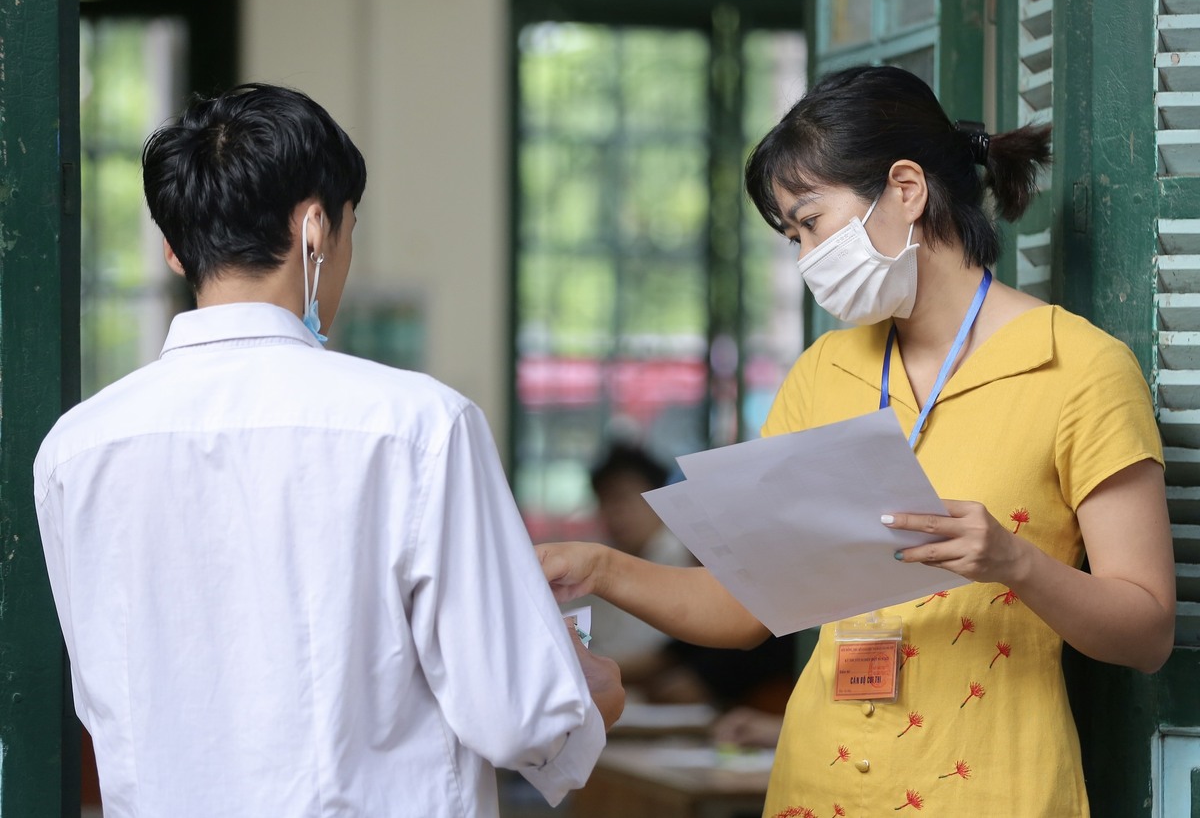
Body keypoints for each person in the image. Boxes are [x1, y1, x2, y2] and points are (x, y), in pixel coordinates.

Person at [538, 65, 1176, 817]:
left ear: (906, 189)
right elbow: (744, 608)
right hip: (820, 787)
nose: (805, 257)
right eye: (792, 237)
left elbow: (1147, 632)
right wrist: (600, 566)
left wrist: (1016, 563)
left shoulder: (1079, 367)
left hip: (989, 790)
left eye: (810, 223)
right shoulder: (824, 372)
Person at [34, 83, 623, 818]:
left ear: (175, 250)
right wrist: (588, 696)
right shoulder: (419, 426)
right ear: (316, 227)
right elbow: (519, 718)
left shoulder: (75, 451)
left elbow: (102, 705)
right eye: (349, 229)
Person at [570, 441, 796, 711]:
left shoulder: (758, 602)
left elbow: (680, 685)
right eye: (604, 502)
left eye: (622, 499)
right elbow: (666, 658)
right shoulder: (606, 562)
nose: (614, 513)